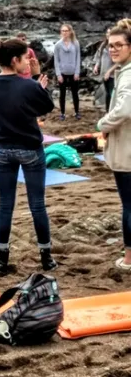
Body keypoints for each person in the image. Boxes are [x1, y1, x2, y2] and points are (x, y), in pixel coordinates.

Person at [0, 38, 57, 277]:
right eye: (26, 58)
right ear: (15, 60)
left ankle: (1, 259)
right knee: (37, 204)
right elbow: (46, 106)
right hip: (29, 149)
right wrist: (36, 80)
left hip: (3, 149)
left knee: (5, 204)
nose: (29, 62)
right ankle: (46, 258)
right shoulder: (28, 86)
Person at [97, 26, 131, 270]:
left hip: (126, 152)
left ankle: (129, 259)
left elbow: (124, 109)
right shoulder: (123, 71)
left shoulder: (128, 74)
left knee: (129, 206)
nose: (113, 49)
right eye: (110, 45)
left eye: (119, 44)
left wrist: (102, 123)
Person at [54, 23, 81, 120]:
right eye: (63, 31)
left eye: (66, 31)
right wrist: (58, 74)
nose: (65, 33)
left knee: (75, 94)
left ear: (70, 32)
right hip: (62, 73)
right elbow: (56, 60)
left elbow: (78, 58)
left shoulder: (75, 43)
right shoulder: (57, 45)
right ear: (61, 32)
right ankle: (62, 113)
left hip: (73, 73)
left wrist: (77, 72)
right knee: (62, 94)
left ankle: (77, 112)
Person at [93, 29, 117, 112]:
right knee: (107, 93)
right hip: (104, 72)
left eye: (110, 33)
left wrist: (109, 72)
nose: (108, 34)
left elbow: (119, 62)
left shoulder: (116, 46)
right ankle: (108, 110)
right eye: (107, 33)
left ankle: (112, 111)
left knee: (112, 93)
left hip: (114, 74)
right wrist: (96, 66)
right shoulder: (103, 45)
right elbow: (98, 57)